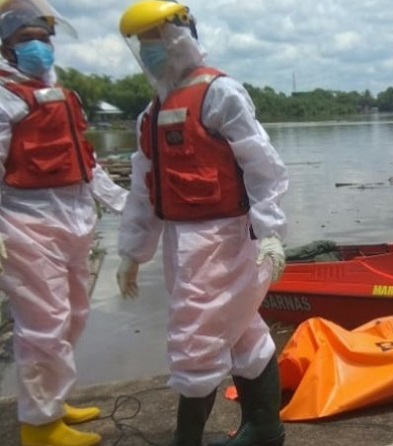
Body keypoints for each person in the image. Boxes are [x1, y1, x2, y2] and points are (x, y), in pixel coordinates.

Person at [115, 1, 289, 445]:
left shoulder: (220, 94)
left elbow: (262, 166)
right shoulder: (151, 115)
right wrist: (132, 254)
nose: (150, 51)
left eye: (157, 40)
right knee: (241, 326)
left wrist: (270, 233)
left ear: (180, 37)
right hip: (183, 239)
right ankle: (265, 426)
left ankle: (188, 438)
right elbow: (144, 189)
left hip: (227, 235)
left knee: (195, 334)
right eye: (143, 43)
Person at [0, 1, 129, 445]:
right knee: (43, 324)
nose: (39, 46)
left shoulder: (55, 92)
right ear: (5, 48)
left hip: (72, 219)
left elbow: (85, 166)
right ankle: (38, 426)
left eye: (44, 36)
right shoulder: (4, 97)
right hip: (25, 224)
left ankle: (52, 400)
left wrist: (128, 205)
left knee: (73, 314)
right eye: (26, 39)